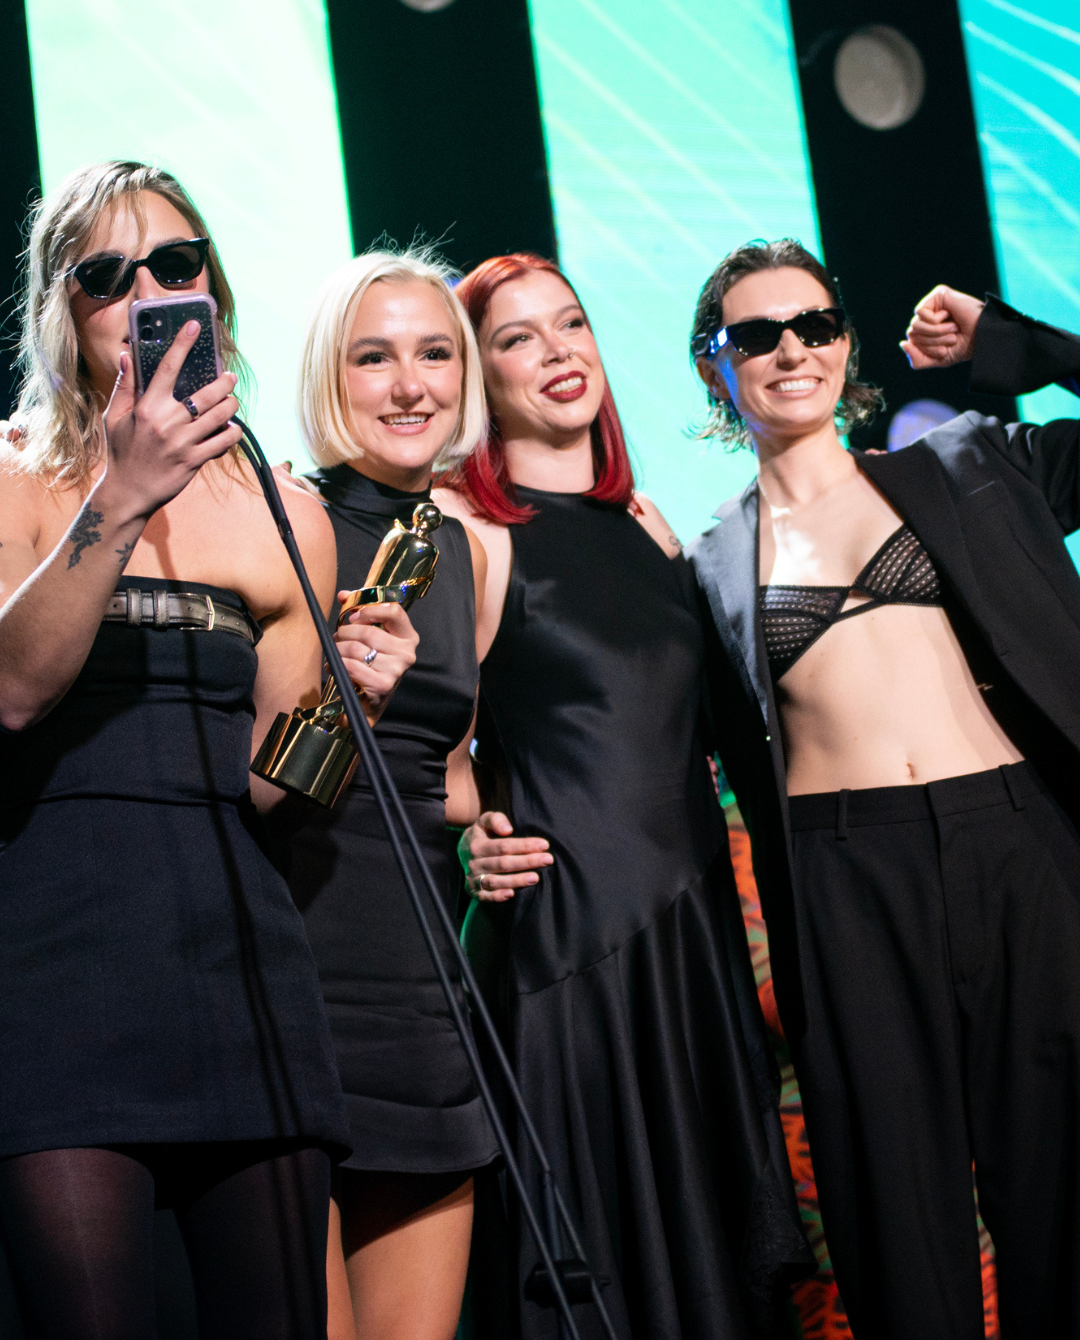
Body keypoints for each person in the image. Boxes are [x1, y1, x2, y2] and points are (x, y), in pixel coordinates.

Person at [0, 160, 417, 1340]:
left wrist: (355, 709)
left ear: (213, 291)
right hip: (53, 965)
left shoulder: (283, 510)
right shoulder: (13, 475)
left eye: (174, 266)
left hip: (237, 962)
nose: (147, 296)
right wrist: (123, 495)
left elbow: (271, 787)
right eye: (107, 276)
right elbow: (14, 694)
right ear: (63, 310)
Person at [687, 238, 1080, 1340]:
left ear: (847, 343)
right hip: (848, 883)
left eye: (814, 325)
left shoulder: (969, 463)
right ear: (715, 365)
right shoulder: (708, 565)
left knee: (1064, 1191)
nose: (792, 351)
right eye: (757, 335)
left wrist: (1019, 345)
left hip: (1018, 845)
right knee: (896, 1218)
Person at [435, 253, 810, 1340]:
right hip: (572, 959)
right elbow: (417, 753)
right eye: (518, 338)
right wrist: (468, 838)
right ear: (479, 374)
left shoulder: (649, 523)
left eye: (571, 324)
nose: (558, 353)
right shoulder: (468, 531)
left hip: (693, 949)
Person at [285, 249, 498, 1340]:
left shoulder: (465, 552)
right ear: (331, 375)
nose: (411, 386)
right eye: (375, 358)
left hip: (422, 991)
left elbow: (445, 773)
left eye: (435, 355)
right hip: (298, 974)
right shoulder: (285, 519)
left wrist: (492, 831)